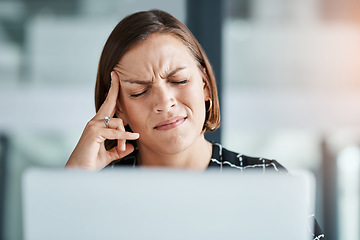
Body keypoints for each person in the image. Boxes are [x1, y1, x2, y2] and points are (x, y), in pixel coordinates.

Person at [65, 9, 325, 239]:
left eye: (178, 80)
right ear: (118, 108)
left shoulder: (267, 183)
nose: (164, 103)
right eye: (139, 91)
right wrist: (73, 180)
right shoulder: (96, 193)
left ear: (205, 86)